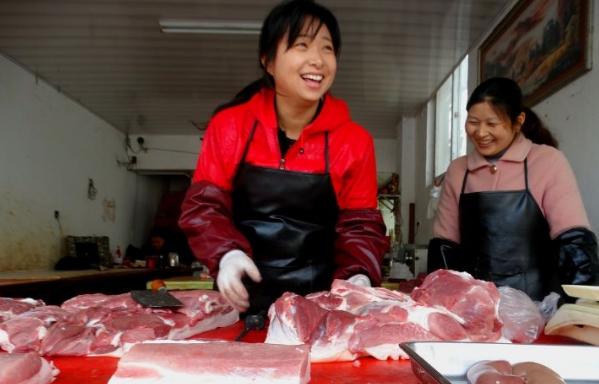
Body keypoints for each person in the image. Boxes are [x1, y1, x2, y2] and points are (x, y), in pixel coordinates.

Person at [179, 0, 387, 313]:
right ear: (269, 61)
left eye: (327, 48)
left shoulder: (355, 141)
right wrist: (226, 255)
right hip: (239, 298)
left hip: (319, 306)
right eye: (301, 45)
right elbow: (204, 208)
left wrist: (359, 274)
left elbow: (360, 227)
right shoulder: (229, 126)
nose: (317, 60)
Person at [428, 77, 599, 300]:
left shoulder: (547, 161)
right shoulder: (458, 170)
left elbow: (575, 244)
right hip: (473, 309)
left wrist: (577, 310)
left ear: (518, 122)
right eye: (473, 122)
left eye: (491, 124)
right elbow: (445, 247)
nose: (480, 132)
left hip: (538, 307)